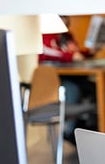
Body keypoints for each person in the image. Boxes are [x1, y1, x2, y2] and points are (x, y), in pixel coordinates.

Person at [38, 15, 98, 144]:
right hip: (55, 79)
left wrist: (89, 52)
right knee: (72, 89)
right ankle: (69, 129)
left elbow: (76, 53)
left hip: (74, 75)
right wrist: (71, 56)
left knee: (93, 87)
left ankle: (91, 125)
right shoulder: (46, 35)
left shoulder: (67, 36)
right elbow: (47, 51)